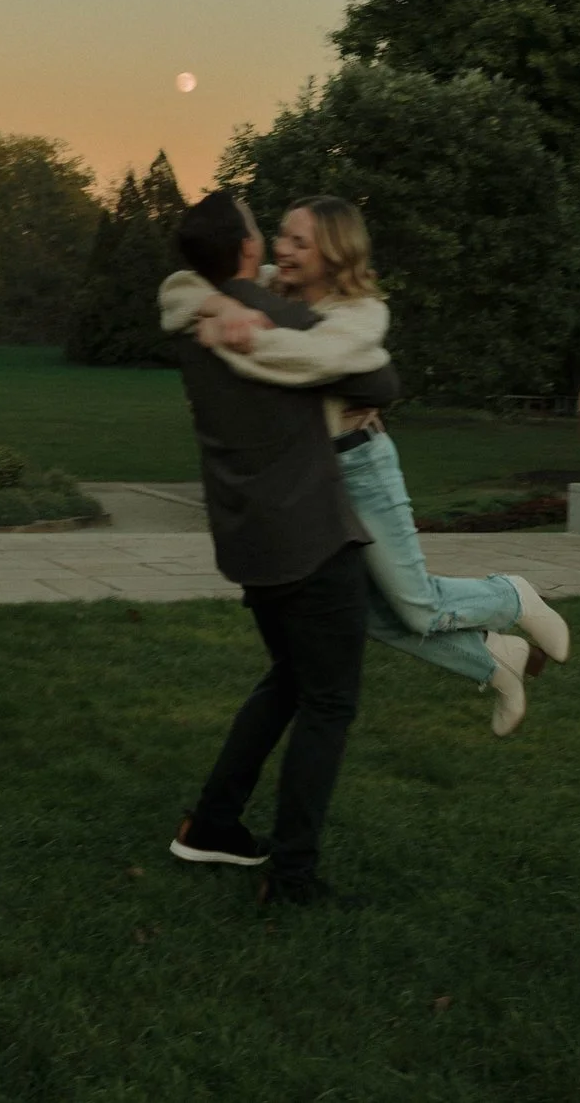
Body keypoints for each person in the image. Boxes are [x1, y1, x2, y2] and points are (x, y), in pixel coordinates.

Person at [159, 195, 572, 736]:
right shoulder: (269, 289)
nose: (281, 250)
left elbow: (315, 361)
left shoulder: (361, 313)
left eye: (298, 242)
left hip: (360, 466)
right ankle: (498, 664)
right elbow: (178, 287)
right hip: (309, 479)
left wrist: (239, 326)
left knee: (416, 606)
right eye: (280, 236)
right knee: (367, 617)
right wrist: (227, 306)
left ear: (333, 253)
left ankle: (510, 595)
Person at [163, 191, 397, 908]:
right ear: (244, 250)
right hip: (312, 540)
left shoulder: (186, 319)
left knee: (290, 680)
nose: (270, 241)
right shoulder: (288, 319)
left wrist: (220, 308)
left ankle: (213, 822)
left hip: (247, 541)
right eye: (262, 231)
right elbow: (382, 380)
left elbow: (177, 290)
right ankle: (293, 875)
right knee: (329, 702)